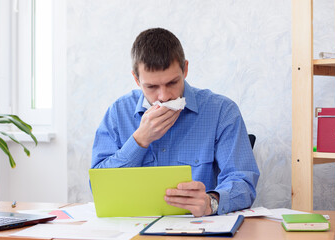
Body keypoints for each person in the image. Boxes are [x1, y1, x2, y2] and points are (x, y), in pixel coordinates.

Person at [91, 28, 259, 217]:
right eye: (152, 86)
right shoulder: (118, 113)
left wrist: (211, 202)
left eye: (172, 83)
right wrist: (139, 141)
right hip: (133, 228)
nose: (163, 96)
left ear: (185, 69)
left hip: (197, 229)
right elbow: (98, 187)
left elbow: (243, 180)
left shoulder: (221, 111)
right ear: (136, 79)